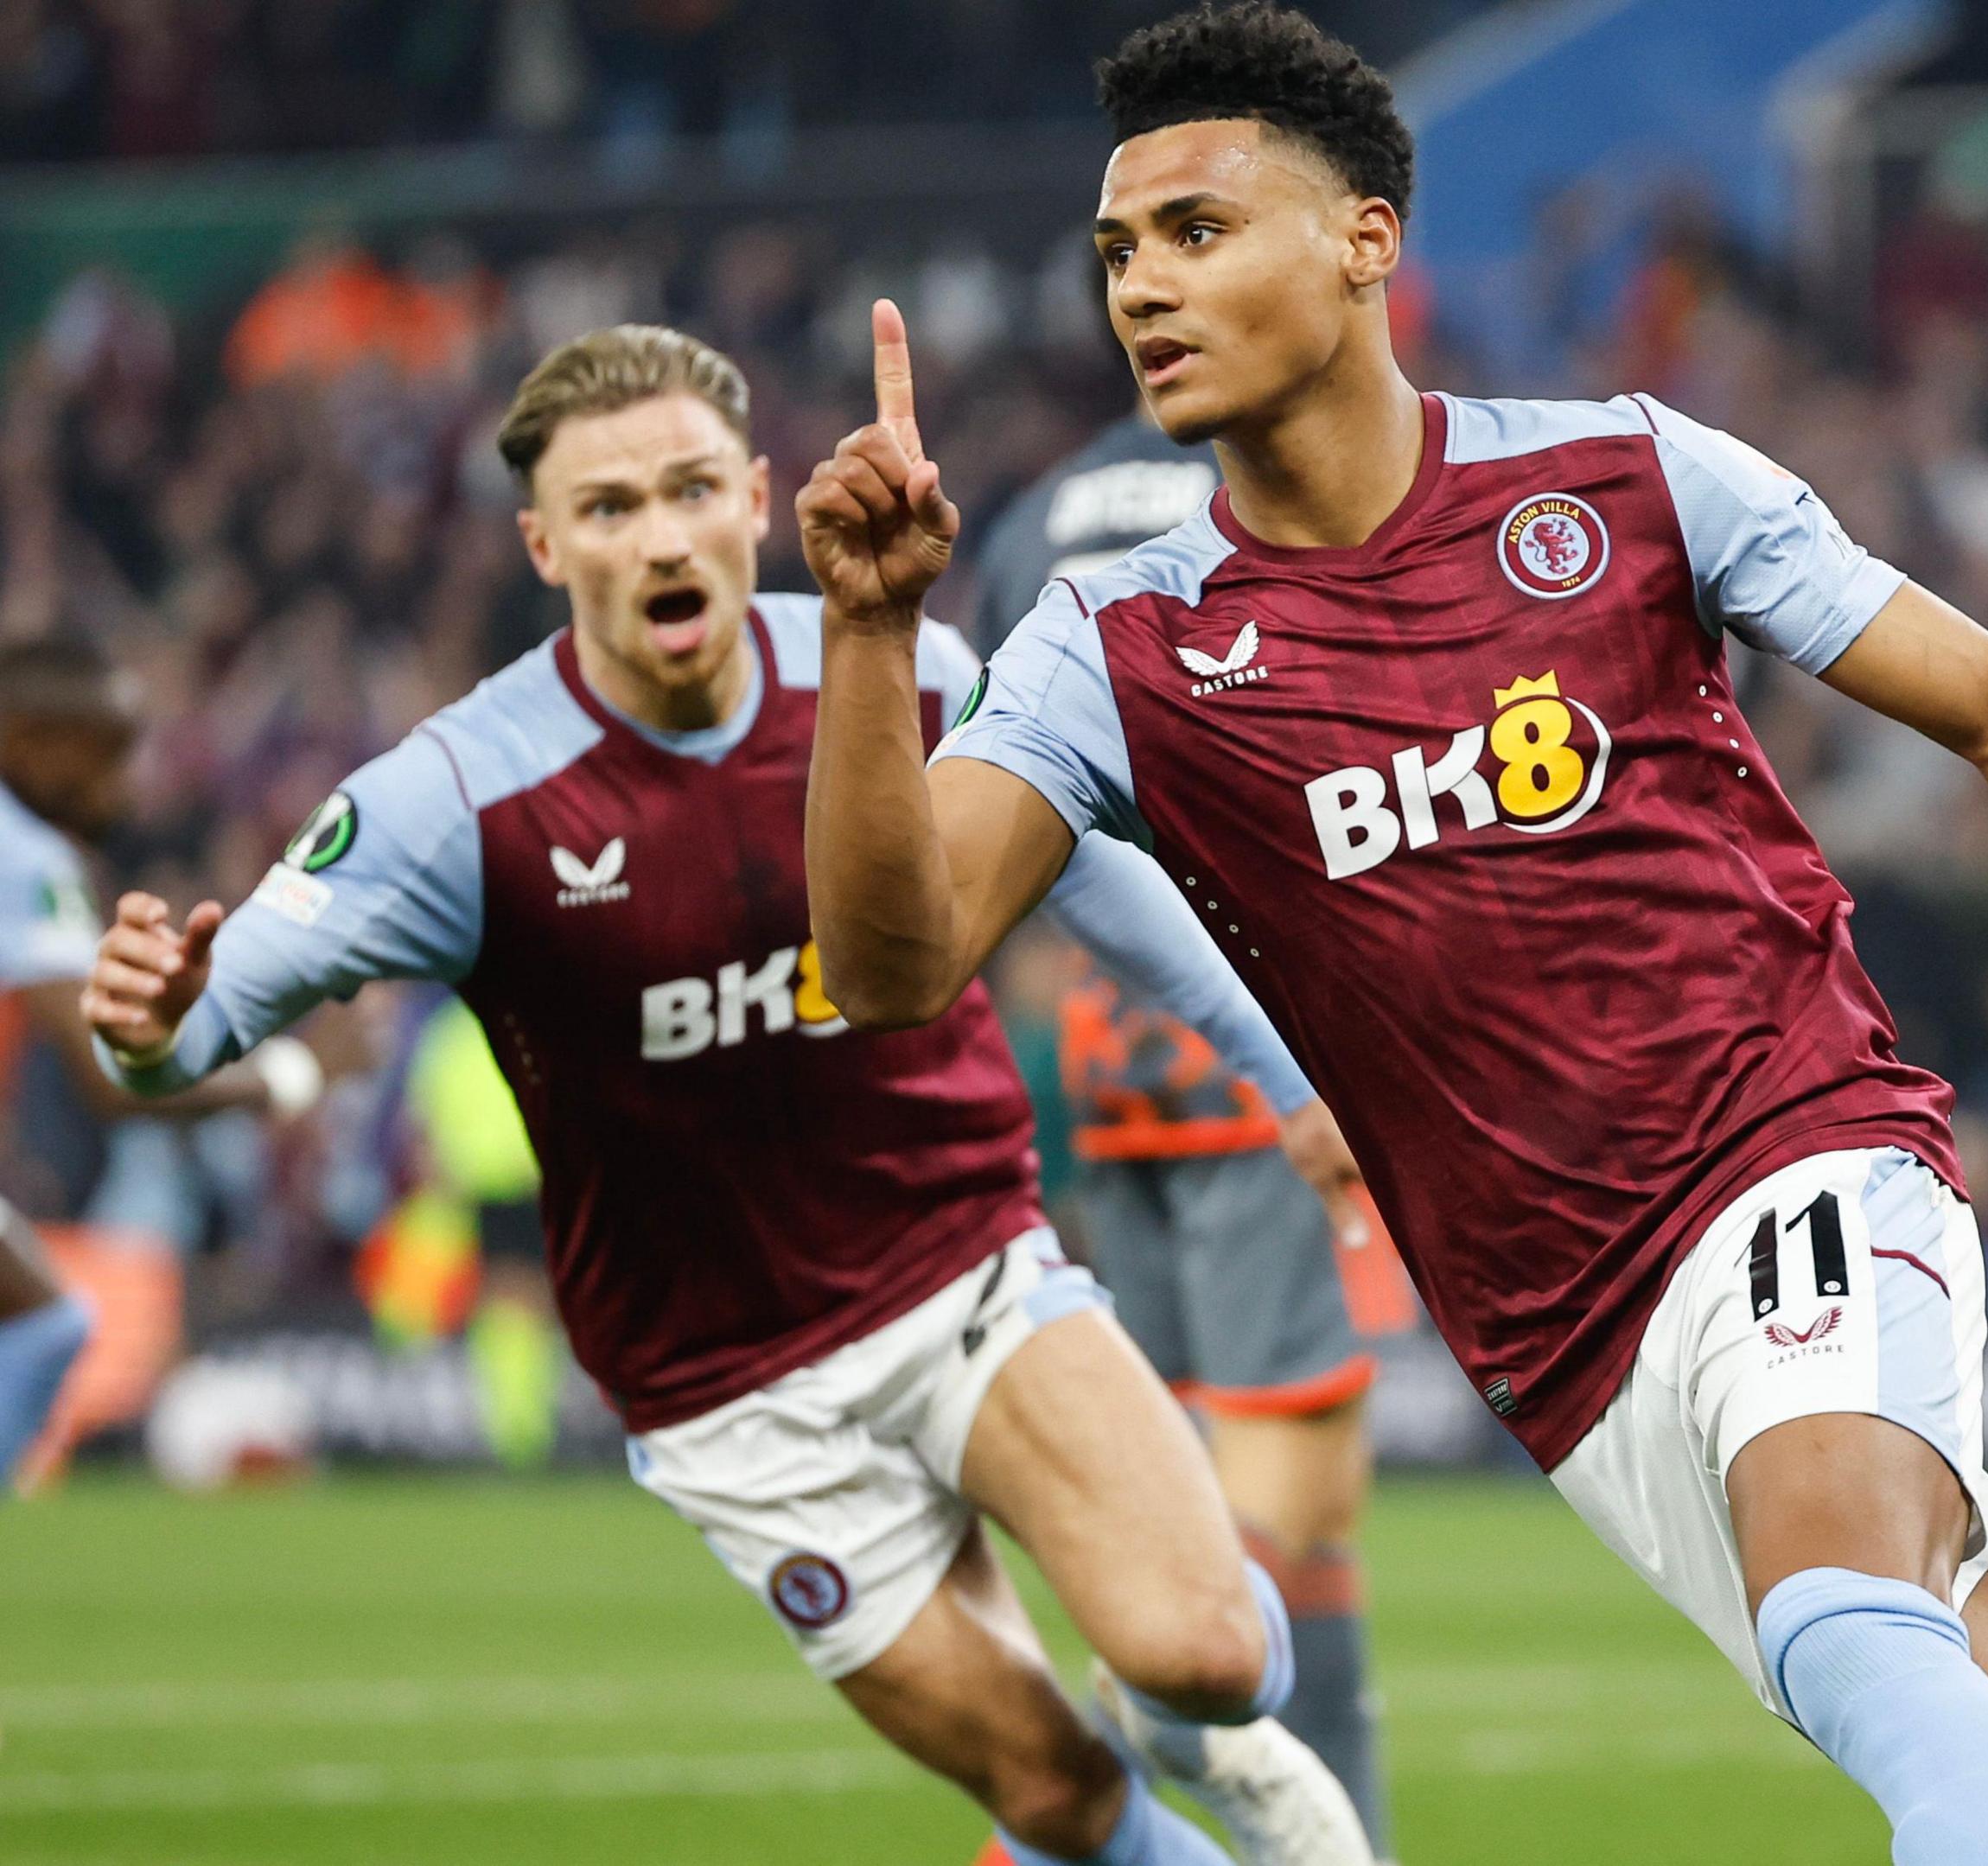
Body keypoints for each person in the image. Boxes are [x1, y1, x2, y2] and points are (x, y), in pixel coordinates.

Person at [794, 8, 1988, 1863]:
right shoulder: (1115, 644)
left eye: (1199, 232)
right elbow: (894, 963)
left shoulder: (1625, 481)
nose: (1143, 286)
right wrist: (869, 639)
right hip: (1567, 1339)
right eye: (1117, 254)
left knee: (1850, 1629)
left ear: (1367, 240)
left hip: (1794, 1153)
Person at [84, 324, 1371, 1866]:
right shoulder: (456, 796)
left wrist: (1293, 1076)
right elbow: (191, 1021)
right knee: (1054, 1792)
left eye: (690, 487)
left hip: (960, 1262)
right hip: (732, 1389)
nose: (659, 531)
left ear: (754, 497)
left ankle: (1179, 1721)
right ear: (545, 541)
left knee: (1217, 1657)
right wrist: (151, 1030)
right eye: (610, 507)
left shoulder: (891, 668)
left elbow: (1091, 873)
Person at [980, 385, 1395, 1857]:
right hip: (1277, 1056)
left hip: (1116, 1059)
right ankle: (1069, 1809)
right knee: (1285, 1501)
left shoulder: (1042, 514)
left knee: (1208, 1505)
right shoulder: (1269, 489)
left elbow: (997, 773)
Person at [1, 639, 319, 1487]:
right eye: (103, 757)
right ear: (29, 741)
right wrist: (275, 1081)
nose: (124, 785)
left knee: (46, 1320)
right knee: (46, 1325)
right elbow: (112, 1079)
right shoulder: (25, 853)